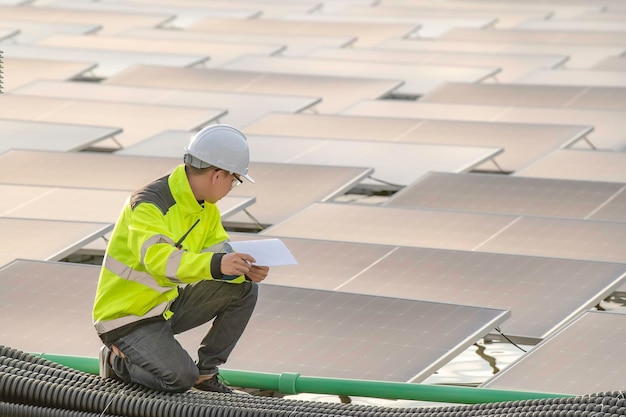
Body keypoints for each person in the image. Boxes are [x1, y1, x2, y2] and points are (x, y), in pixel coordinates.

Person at [92, 124, 269, 394]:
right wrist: (218, 264)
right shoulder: (149, 204)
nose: (232, 186)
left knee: (244, 289)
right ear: (217, 174)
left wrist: (242, 269)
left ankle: (206, 373)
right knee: (178, 378)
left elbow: (218, 255)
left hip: (166, 306)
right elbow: (160, 262)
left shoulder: (205, 209)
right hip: (127, 318)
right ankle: (118, 362)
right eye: (234, 180)